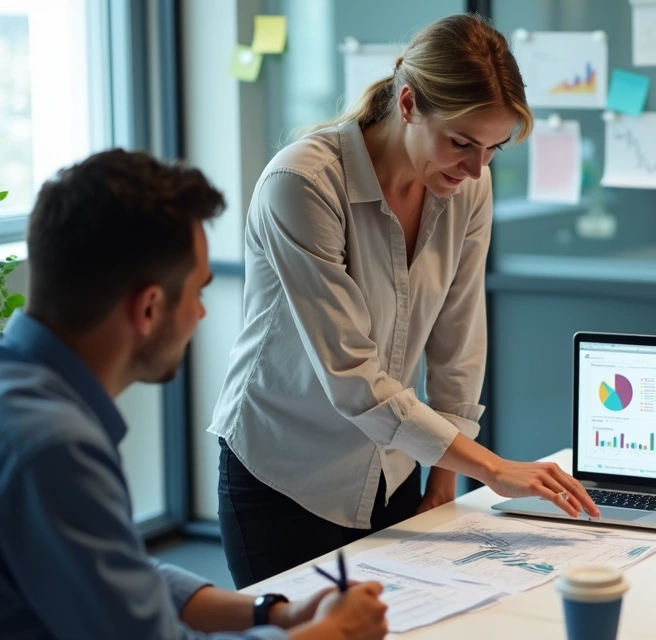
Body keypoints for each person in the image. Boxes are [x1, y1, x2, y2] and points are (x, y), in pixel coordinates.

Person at [208, 12, 599, 589]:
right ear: (409, 104)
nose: (474, 169)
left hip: (391, 470)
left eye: (492, 149)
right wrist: (491, 469)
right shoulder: (303, 184)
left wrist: (444, 483)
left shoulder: (469, 188)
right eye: (461, 143)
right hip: (285, 476)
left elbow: (458, 341)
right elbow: (353, 377)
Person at [0, 150, 388, 639]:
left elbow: (124, 577)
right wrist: (331, 633)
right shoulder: (56, 447)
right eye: (198, 293)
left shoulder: (21, 397)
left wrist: (274, 613)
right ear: (148, 308)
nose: (200, 316)